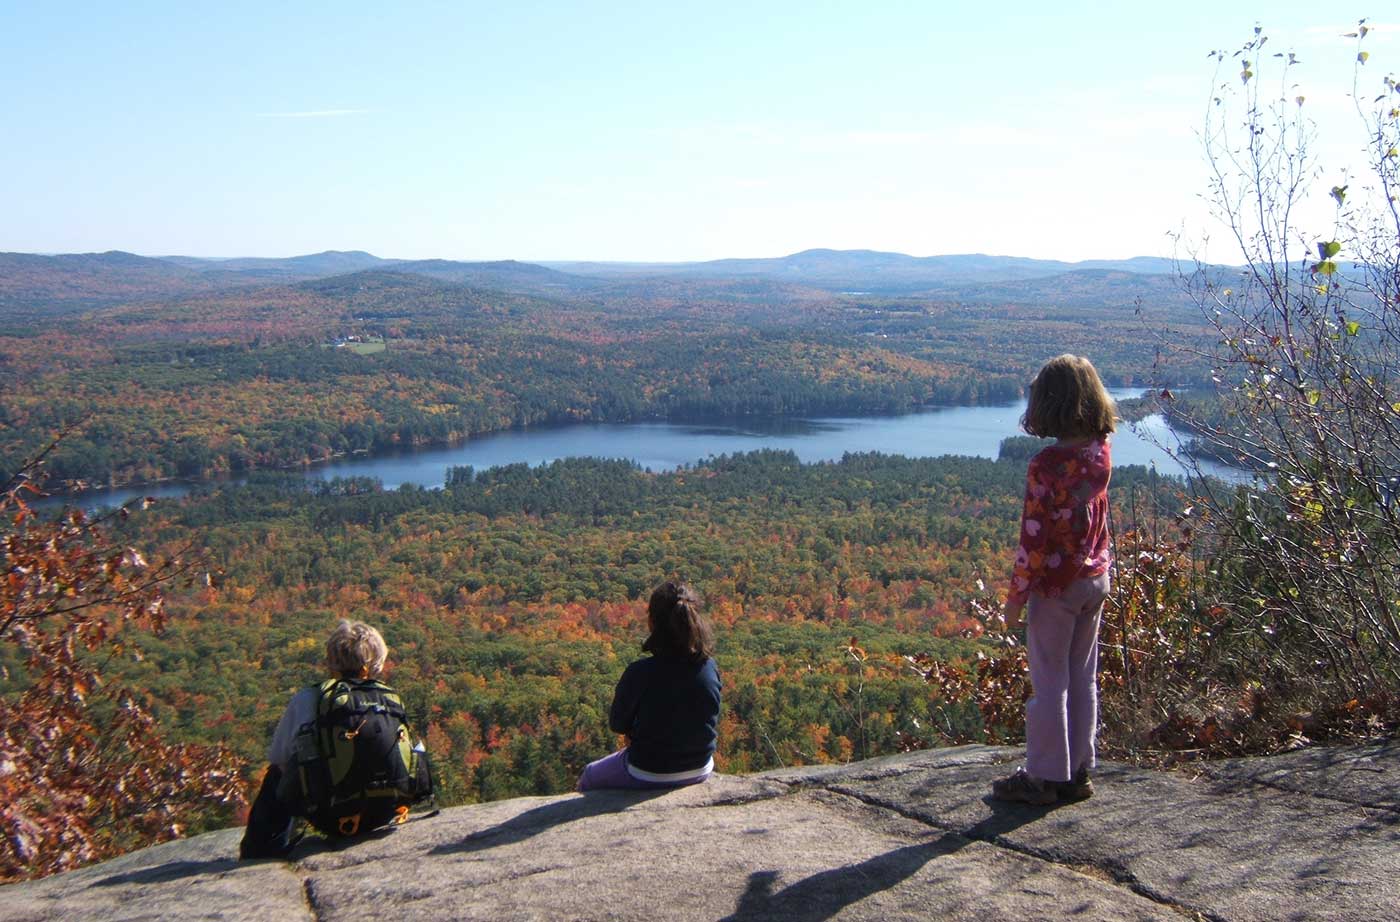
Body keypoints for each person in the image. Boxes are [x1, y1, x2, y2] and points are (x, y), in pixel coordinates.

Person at [992, 354, 1116, 806]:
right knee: (1083, 677)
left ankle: (1044, 776)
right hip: (1095, 579)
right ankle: (1079, 771)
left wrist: (1015, 599)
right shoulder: (1101, 448)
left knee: (1049, 683)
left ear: (1048, 403)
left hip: (1057, 588)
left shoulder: (1047, 464)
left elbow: (1034, 538)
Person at [240, 620, 429, 859]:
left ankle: (263, 847)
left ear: (331, 660)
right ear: (377, 664)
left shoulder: (309, 698)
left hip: (328, 816)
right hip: (384, 815)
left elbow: (279, 758)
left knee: (276, 772)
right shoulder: (388, 698)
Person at [577, 581, 721, 791]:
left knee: (590, 774)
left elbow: (617, 724)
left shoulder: (639, 672)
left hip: (647, 770)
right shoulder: (709, 667)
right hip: (700, 767)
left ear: (652, 623)